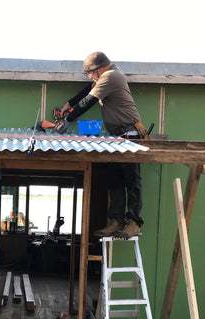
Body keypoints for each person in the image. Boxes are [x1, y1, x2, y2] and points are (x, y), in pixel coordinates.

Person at [55, 51, 147, 238]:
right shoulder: (105, 77)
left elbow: (89, 100)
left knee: (132, 181)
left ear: (99, 69)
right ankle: (116, 221)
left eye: (89, 73)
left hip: (129, 134)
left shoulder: (112, 76)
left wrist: (67, 120)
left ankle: (134, 222)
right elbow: (88, 90)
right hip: (117, 137)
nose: (89, 77)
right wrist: (69, 103)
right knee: (115, 180)